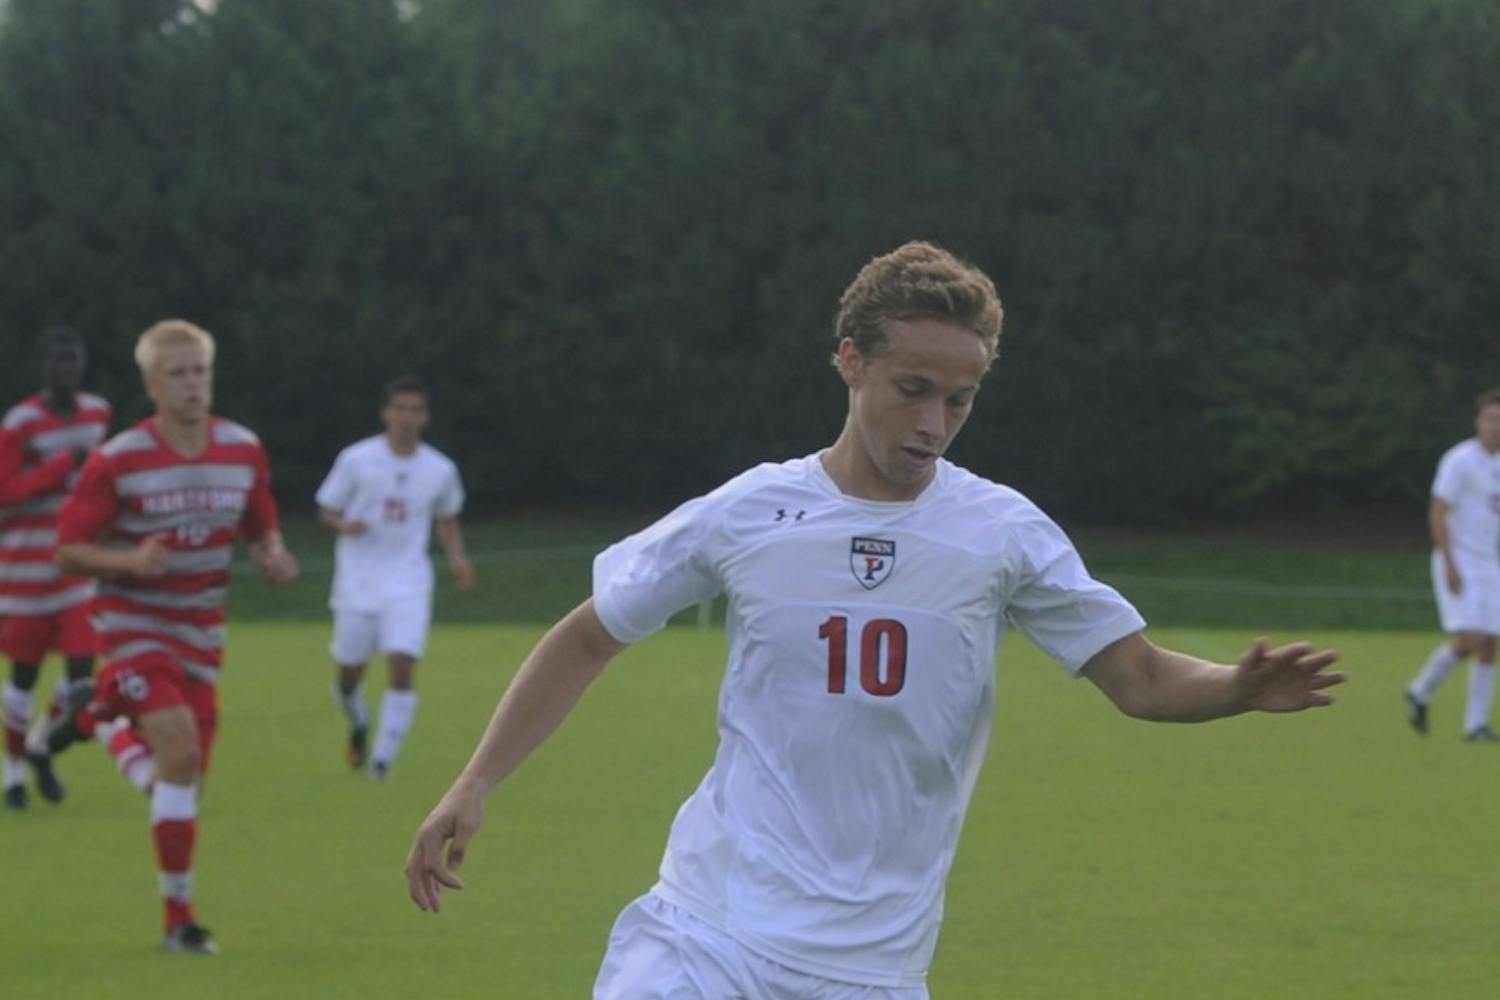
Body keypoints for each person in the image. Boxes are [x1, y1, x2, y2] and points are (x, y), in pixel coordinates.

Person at [404, 241, 1346, 998]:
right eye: (913, 390)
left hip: (871, 968)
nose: (935, 422)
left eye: (960, 399)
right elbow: (589, 634)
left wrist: (1233, 687)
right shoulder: (752, 512)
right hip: (706, 934)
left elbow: (1137, 679)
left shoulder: (1002, 533)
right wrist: (477, 780)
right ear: (851, 362)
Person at [46, 319, 298, 955]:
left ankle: (96, 718)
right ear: (153, 384)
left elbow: (261, 527)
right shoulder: (119, 459)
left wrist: (272, 554)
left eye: (201, 372)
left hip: (201, 636)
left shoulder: (243, 449)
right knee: (180, 754)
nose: (193, 384)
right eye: (179, 373)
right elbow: (69, 551)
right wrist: (129, 564)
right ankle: (178, 922)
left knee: (178, 782)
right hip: (133, 629)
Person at [315, 375, 473, 779]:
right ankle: (359, 721)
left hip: (408, 582)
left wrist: (457, 558)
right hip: (357, 583)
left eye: (415, 410)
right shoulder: (357, 459)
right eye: (399, 408)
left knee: (402, 664)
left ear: (425, 417)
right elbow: (326, 508)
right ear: (387, 413)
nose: (406, 417)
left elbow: (446, 517)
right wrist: (343, 525)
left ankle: (383, 761)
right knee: (349, 677)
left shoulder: (439, 468)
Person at [0, 327, 112, 810]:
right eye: (57, 361)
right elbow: (5, 491)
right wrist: (64, 463)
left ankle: (43, 744)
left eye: (74, 360)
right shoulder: (21, 422)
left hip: (75, 566)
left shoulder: (97, 412)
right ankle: (14, 772)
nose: (66, 369)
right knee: (24, 677)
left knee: (82, 676)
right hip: (26, 569)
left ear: (83, 364)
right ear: (44, 367)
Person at [1404, 388, 1500, 742]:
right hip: (1460, 560)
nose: (1496, 427)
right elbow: (1439, 511)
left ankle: (1475, 726)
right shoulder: (1459, 460)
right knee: (1472, 638)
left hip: (1490, 564)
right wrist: (1448, 561)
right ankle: (1421, 689)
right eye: (1491, 418)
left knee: (1490, 644)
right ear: (1479, 420)